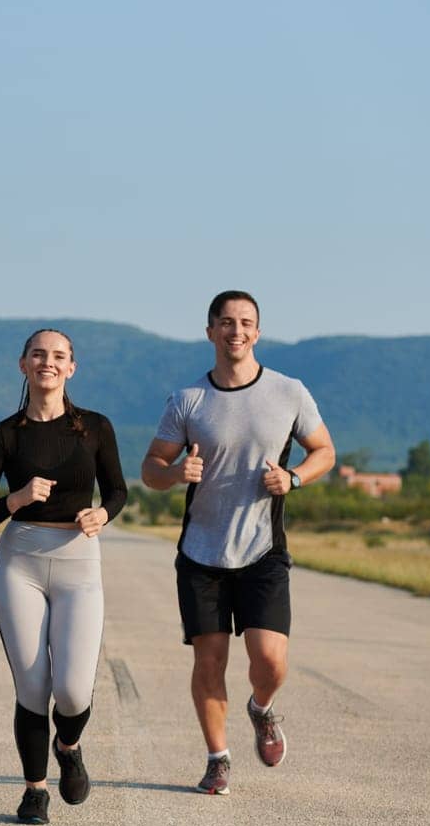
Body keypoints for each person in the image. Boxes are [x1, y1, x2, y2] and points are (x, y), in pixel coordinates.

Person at [141, 290, 335, 795]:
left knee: (269, 660)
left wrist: (293, 479)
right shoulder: (188, 401)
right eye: (226, 322)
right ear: (210, 332)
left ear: (258, 331)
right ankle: (217, 758)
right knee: (209, 662)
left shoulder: (289, 392)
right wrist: (176, 471)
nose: (236, 331)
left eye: (246, 322)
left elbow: (324, 452)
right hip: (201, 554)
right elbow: (150, 469)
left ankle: (261, 709)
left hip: (262, 550)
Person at [0, 328, 127, 825]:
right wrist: (15, 499)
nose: (47, 363)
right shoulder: (4, 435)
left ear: (71, 368)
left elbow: (117, 491)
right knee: (33, 687)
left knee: (74, 690)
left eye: (58, 356)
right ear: (23, 365)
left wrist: (103, 514)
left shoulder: (95, 428)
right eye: (39, 354)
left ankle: (69, 745)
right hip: (20, 563)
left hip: (79, 563)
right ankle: (35, 790)